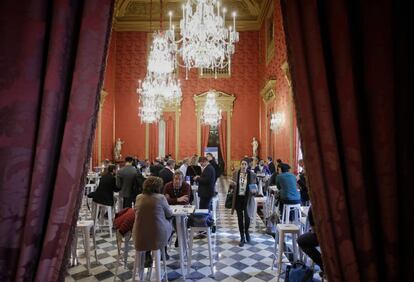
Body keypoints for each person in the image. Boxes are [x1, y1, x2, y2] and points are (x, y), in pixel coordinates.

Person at [133, 176, 173, 265]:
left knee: (147, 224)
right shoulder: (160, 198)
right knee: (170, 224)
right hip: (157, 236)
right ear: (158, 187)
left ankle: (147, 254)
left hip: (140, 235)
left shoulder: (139, 197)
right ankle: (164, 251)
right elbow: (169, 214)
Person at [230, 158, 257, 247]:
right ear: (240, 165)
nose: (243, 166)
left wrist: (254, 191)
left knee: (248, 217)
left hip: (247, 198)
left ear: (248, 165)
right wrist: (232, 185)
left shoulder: (252, 175)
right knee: (240, 218)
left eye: (245, 164)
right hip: (238, 198)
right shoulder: (235, 174)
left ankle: (247, 232)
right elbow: (231, 188)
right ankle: (242, 236)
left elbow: (255, 187)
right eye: (242, 164)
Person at [297, 206, 324, 274]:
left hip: (324, 235)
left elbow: (314, 230)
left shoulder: (314, 207)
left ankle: (324, 265)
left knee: (301, 240)